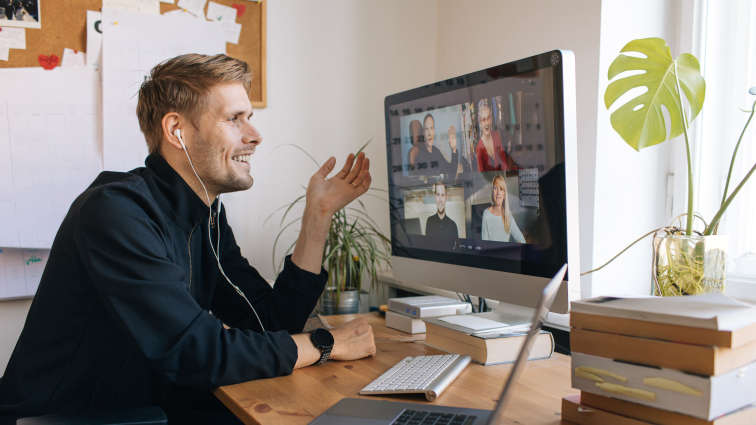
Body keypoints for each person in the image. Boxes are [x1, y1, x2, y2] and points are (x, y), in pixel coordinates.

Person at [0, 54, 376, 424]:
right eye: (234, 119)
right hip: (71, 417)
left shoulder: (207, 215)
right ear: (176, 130)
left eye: (250, 119)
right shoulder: (115, 212)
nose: (255, 136)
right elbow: (197, 353)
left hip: (151, 403)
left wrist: (318, 216)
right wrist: (329, 344)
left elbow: (271, 322)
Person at [475, 98, 519, 173]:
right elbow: (482, 175)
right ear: (480, 123)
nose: (487, 123)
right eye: (483, 119)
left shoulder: (496, 136)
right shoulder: (479, 148)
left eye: (488, 118)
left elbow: (504, 161)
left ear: (491, 119)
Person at [413, 113, 459, 179]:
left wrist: (453, 149)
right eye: (426, 129)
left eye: (431, 128)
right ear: (423, 133)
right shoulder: (420, 156)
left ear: (434, 131)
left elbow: (451, 172)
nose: (429, 133)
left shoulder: (435, 150)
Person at [481, 174, 525, 243]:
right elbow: (484, 243)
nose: (498, 193)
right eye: (495, 188)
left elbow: (521, 239)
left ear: (504, 194)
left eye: (501, 189)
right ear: (492, 192)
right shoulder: (486, 214)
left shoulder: (508, 215)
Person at [424, 182, 458, 249]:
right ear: (435, 197)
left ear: (446, 197)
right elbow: (427, 246)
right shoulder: (429, 221)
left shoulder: (453, 225)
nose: (440, 200)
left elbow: (456, 249)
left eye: (442, 195)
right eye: (438, 195)